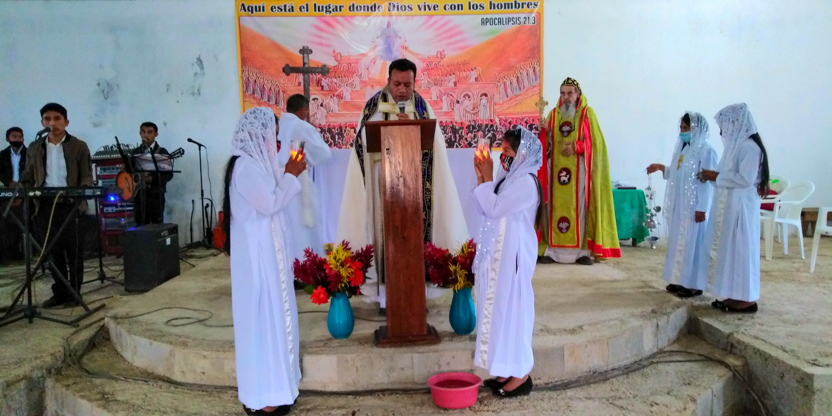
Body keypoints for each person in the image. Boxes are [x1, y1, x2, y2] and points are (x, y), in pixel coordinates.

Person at [337, 58, 468, 308]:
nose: (402, 90)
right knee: (383, 235)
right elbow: (361, 142)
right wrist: (388, 132)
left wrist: (409, 129)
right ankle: (385, 298)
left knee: (413, 236)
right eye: (397, 83)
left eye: (407, 84)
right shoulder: (373, 106)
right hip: (381, 183)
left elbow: (435, 145)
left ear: (415, 82)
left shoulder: (422, 108)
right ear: (388, 80)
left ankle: (415, 294)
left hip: (415, 183)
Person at [222, 107, 307, 415]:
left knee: (276, 323)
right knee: (263, 326)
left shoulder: (256, 167)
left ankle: (280, 389)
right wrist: (291, 174)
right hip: (258, 265)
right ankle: (264, 399)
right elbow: (270, 203)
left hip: (269, 262)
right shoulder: (245, 168)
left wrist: (289, 172)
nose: (275, 143)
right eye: (273, 136)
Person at [472, 127, 542, 398]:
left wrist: (488, 177)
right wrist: (482, 177)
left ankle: (521, 375)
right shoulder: (510, 178)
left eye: (507, 151)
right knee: (500, 312)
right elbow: (485, 206)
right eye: (502, 151)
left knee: (514, 314)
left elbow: (495, 208)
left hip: (513, 259)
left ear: (522, 154)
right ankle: (505, 369)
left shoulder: (526, 183)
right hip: (500, 258)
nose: (503, 157)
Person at [539, 77, 620, 265]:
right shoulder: (553, 115)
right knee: (553, 210)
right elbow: (547, 147)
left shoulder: (587, 114)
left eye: (570, 93)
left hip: (579, 174)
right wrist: (543, 132)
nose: (566, 97)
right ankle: (552, 251)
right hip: (556, 175)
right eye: (563, 93)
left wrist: (578, 146)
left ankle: (582, 252)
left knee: (580, 210)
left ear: (578, 94)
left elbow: (596, 145)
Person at [21, 103, 93, 308]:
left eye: (57, 118)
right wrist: (21, 189)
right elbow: (28, 175)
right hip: (44, 206)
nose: (52, 122)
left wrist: (82, 190)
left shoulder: (78, 146)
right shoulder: (35, 147)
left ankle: (74, 293)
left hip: (70, 204)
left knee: (74, 251)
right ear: (42, 122)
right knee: (52, 252)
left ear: (66, 122)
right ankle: (60, 292)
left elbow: (86, 174)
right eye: (47, 119)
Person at [698, 103, 769, 313]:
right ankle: (734, 294)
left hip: (742, 209)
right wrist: (712, 176)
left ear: (735, 124)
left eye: (724, 126)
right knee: (730, 252)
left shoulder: (749, 147)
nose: (721, 131)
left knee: (741, 252)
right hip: (731, 205)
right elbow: (726, 177)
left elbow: (745, 179)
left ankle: (747, 299)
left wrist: (716, 176)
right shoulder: (734, 148)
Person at [647, 112, 717, 298]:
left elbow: (706, 181)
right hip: (681, 206)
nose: (683, 132)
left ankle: (694, 284)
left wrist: (702, 207)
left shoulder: (706, 151)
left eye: (686, 128)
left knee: (693, 245)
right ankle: (679, 280)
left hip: (695, 208)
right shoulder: (683, 150)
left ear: (697, 129)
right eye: (681, 128)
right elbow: (678, 174)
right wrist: (661, 168)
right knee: (680, 243)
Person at [277, 94, 333, 262]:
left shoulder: (278, 125)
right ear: (303, 110)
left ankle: (289, 264)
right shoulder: (301, 127)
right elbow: (324, 154)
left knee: (286, 225)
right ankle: (305, 265)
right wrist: (309, 158)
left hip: (278, 182)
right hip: (297, 180)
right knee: (302, 227)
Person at [131, 122, 173, 225]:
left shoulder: (162, 152)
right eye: (143, 132)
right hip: (138, 196)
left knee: (156, 226)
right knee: (140, 225)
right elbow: (131, 172)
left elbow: (168, 175)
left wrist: (152, 179)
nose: (146, 135)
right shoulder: (136, 152)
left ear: (156, 134)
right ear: (140, 133)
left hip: (155, 196)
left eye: (149, 132)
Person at [0, 127, 27, 263]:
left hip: (25, 191)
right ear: (8, 139)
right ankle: (6, 253)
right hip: (7, 191)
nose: (17, 139)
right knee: (5, 222)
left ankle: (21, 251)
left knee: (23, 220)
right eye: (14, 137)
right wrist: (9, 182)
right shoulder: (2, 155)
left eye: (19, 137)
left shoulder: (29, 154)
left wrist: (21, 188)